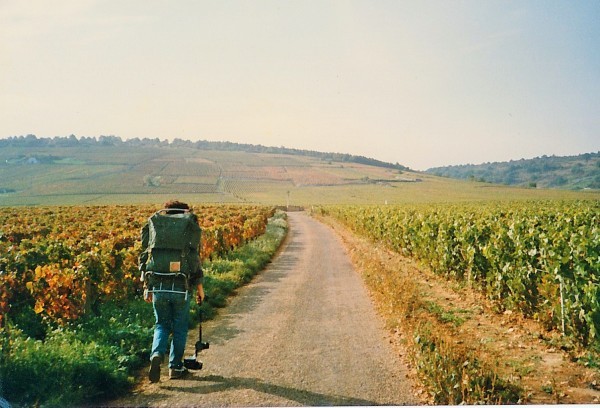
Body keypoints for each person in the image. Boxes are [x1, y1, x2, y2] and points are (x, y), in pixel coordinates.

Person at [139, 200, 205, 382]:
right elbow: (194, 261)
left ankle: (156, 355)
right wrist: (200, 288)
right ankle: (175, 367)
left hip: (158, 287)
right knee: (179, 328)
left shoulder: (156, 229)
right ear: (184, 213)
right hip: (180, 289)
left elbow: (144, 257)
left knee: (161, 324)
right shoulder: (186, 231)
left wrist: (147, 286)